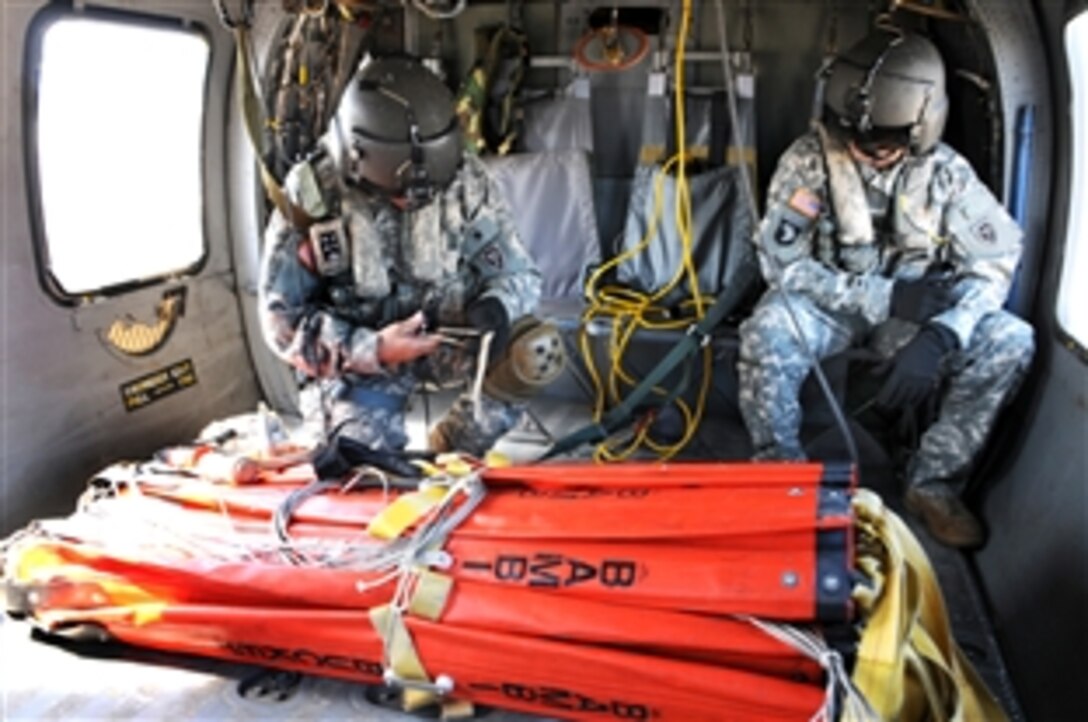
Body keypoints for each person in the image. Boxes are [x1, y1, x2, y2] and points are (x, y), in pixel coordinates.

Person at [737, 29, 1035, 548]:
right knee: (766, 331)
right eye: (852, 136)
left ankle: (933, 484)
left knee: (1011, 340)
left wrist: (943, 334)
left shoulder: (947, 176)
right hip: (829, 308)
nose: (862, 150)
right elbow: (781, 265)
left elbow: (995, 261)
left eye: (882, 144)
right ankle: (780, 477)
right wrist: (880, 297)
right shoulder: (808, 163)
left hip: (917, 316)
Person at [258, 56, 562, 458]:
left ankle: (458, 442)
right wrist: (374, 349)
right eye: (399, 194)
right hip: (360, 358)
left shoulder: (466, 181)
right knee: (364, 466)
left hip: (450, 336)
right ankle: (370, 444)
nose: (412, 202)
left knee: (535, 351)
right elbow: (282, 325)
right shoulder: (313, 198)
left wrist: (498, 306)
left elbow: (520, 274)